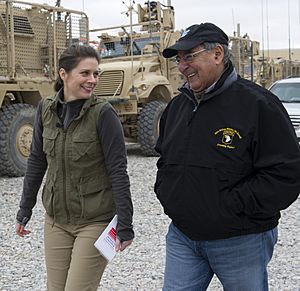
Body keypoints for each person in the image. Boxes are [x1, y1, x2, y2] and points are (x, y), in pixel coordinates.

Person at [154, 22, 300, 290]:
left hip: (241, 239)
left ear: (218, 54)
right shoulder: (177, 107)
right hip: (183, 236)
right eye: (179, 59)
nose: (182, 66)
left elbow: (286, 175)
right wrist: (168, 194)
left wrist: (231, 205)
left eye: (189, 57)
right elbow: (164, 159)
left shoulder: (259, 105)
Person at [15, 44, 134, 291]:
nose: (93, 80)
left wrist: (125, 223)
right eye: (85, 73)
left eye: (96, 74)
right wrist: (25, 209)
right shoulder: (45, 109)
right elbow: (37, 161)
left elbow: (118, 171)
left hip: (95, 221)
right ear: (63, 74)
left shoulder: (103, 114)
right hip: (57, 220)